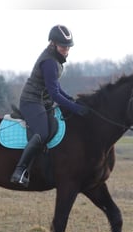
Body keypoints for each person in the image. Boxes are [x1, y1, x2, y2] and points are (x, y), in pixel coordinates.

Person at [10, 24, 89, 187]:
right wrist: (75, 108)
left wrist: (72, 100)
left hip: (42, 102)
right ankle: (20, 170)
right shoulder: (49, 62)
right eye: (63, 47)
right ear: (53, 44)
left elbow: (56, 87)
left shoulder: (56, 60)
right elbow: (54, 94)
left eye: (68, 47)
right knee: (42, 132)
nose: (66, 50)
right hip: (31, 101)